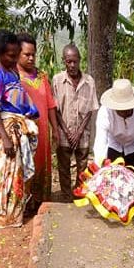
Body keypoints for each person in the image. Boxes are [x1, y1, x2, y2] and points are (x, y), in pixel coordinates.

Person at [0, 29, 39, 229]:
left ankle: (13, 216)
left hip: (13, 128)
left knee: (15, 175)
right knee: (0, 175)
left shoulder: (11, 72)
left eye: (15, 55)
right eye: (10, 55)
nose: (14, 59)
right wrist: (5, 138)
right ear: (0, 53)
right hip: (0, 131)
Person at [17, 32, 61, 208]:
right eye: (26, 54)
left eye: (33, 54)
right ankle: (25, 205)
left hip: (43, 133)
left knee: (42, 163)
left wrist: (55, 130)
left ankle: (41, 203)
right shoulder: (13, 77)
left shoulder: (42, 77)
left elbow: (50, 105)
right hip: (24, 132)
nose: (31, 58)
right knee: (26, 165)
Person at [52, 44, 98, 199]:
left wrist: (78, 132)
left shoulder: (89, 81)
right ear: (64, 61)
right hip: (64, 131)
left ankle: (79, 194)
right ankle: (66, 195)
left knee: (82, 166)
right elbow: (55, 109)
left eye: (75, 61)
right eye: (68, 61)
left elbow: (91, 109)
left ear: (80, 60)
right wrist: (66, 131)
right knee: (63, 166)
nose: (72, 65)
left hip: (82, 133)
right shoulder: (58, 80)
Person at [92, 78, 134, 173]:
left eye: (127, 109)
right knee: (112, 176)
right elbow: (100, 141)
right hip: (114, 143)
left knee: (132, 175)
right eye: (120, 110)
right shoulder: (105, 112)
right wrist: (100, 166)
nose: (124, 113)